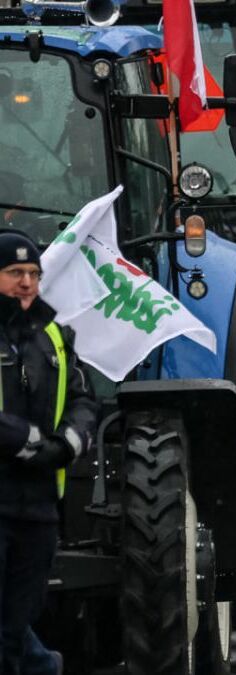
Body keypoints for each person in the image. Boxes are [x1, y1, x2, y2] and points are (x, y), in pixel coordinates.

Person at [0, 231, 97, 673]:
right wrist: (27, 443)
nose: (26, 283)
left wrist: (66, 445)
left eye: (34, 274)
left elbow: (82, 400)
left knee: (16, 622)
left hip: (39, 507)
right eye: (15, 273)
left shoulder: (54, 335)